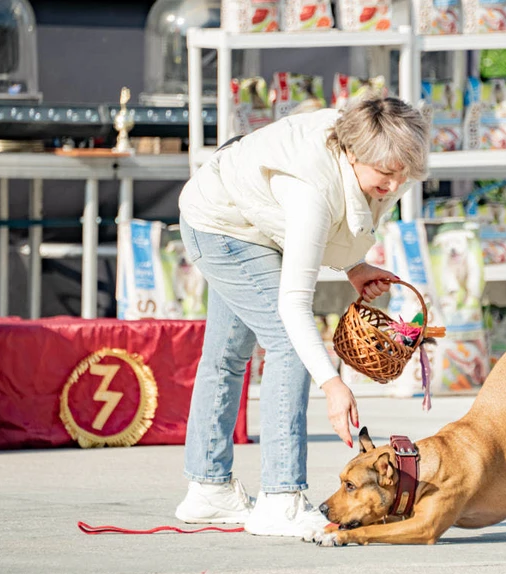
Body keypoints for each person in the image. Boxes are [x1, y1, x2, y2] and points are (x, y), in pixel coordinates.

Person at [173, 97, 430, 538]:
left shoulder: (380, 156)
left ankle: (208, 489)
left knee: (227, 356)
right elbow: (293, 304)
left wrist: (355, 266)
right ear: (353, 154)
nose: (395, 184)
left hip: (255, 218)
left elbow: (342, 218)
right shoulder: (310, 187)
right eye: (385, 175)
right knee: (289, 345)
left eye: (403, 174)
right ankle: (281, 498)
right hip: (220, 224)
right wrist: (332, 385)